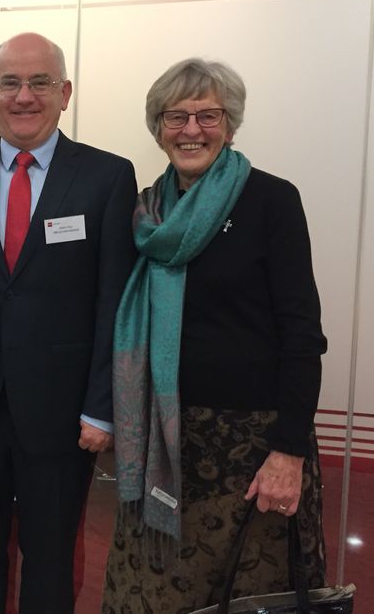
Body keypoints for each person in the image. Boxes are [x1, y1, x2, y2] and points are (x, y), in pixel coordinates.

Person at [101, 58, 328, 612]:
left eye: (208, 115)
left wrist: (288, 453)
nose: (192, 130)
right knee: (151, 595)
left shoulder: (271, 201)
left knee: (246, 596)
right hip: (165, 437)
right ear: (158, 127)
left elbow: (302, 333)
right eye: (176, 116)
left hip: (250, 452)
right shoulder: (147, 211)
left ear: (230, 125)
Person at [0, 32, 137, 613]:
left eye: (40, 82)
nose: (24, 96)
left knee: (50, 562)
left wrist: (103, 404)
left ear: (65, 92)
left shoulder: (107, 177)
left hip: (62, 414)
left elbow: (114, 302)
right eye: (10, 83)